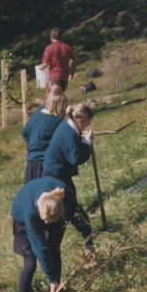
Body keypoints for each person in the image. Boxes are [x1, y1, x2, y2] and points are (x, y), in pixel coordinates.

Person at [11, 177, 76, 292]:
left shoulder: (65, 194)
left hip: (50, 213)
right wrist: (51, 278)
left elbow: (77, 213)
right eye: (44, 220)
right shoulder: (30, 210)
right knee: (30, 263)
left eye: (49, 222)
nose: (46, 224)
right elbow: (39, 246)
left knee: (54, 247)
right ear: (38, 211)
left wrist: (89, 241)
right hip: (22, 220)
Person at [42, 103, 95, 254]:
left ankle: (84, 237)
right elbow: (75, 157)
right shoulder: (68, 132)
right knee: (69, 208)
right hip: (55, 176)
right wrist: (87, 142)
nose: (86, 127)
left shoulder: (69, 126)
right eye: (87, 124)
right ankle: (86, 239)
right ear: (80, 121)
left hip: (57, 173)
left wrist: (81, 137)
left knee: (68, 207)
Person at [21, 89, 67, 182]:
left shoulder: (35, 116)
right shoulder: (58, 120)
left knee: (33, 191)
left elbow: (24, 133)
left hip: (32, 161)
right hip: (48, 162)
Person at [39, 27, 78, 92]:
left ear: (51, 37)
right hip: (64, 77)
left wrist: (40, 67)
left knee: (52, 97)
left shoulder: (49, 48)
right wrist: (72, 72)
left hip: (53, 77)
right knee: (60, 96)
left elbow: (45, 64)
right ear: (61, 37)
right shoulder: (67, 47)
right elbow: (75, 60)